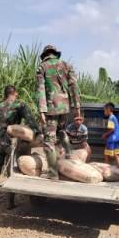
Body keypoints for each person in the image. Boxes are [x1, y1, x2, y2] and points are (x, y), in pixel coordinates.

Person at [0, 85, 39, 207]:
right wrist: (37, 132)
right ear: (15, 93)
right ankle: (10, 202)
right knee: (12, 171)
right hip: (11, 142)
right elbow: (30, 119)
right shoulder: (19, 105)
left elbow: (0, 121)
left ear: (5, 94)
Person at [36, 45, 81, 180]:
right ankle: (69, 155)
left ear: (45, 55)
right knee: (61, 131)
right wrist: (77, 107)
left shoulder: (42, 67)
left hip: (51, 108)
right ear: (56, 54)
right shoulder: (66, 65)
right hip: (65, 107)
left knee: (49, 140)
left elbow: (40, 89)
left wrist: (41, 110)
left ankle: (53, 173)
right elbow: (74, 86)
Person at [102, 102, 119, 171]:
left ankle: (107, 168)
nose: (104, 112)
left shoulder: (111, 118)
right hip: (116, 138)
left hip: (112, 138)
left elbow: (112, 129)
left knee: (106, 153)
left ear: (108, 109)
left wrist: (105, 134)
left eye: (104, 110)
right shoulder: (114, 117)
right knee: (116, 153)